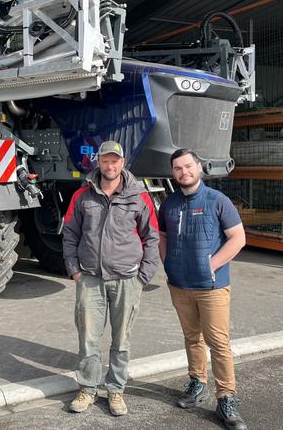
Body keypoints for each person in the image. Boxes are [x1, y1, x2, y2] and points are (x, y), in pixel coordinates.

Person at [62, 140, 160, 417]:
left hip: (127, 279)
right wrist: (74, 269)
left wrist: (144, 275)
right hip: (90, 278)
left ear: (122, 162)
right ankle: (88, 388)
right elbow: (70, 233)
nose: (110, 165)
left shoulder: (139, 197)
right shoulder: (83, 196)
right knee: (88, 339)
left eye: (115, 160)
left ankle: (115, 390)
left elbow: (151, 236)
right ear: (98, 162)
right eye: (105, 160)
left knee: (121, 339)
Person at [158, 148, 247, 430]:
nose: (183, 172)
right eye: (177, 169)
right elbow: (161, 236)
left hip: (211, 287)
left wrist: (213, 265)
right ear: (173, 173)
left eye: (188, 166)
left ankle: (226, 399)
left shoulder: (217, 200)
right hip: (179, 285)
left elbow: (238, 238)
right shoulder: (169, 204)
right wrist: (167, 262)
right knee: (191, 337)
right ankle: (197, 383)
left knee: (218, 343)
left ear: (199, 167)